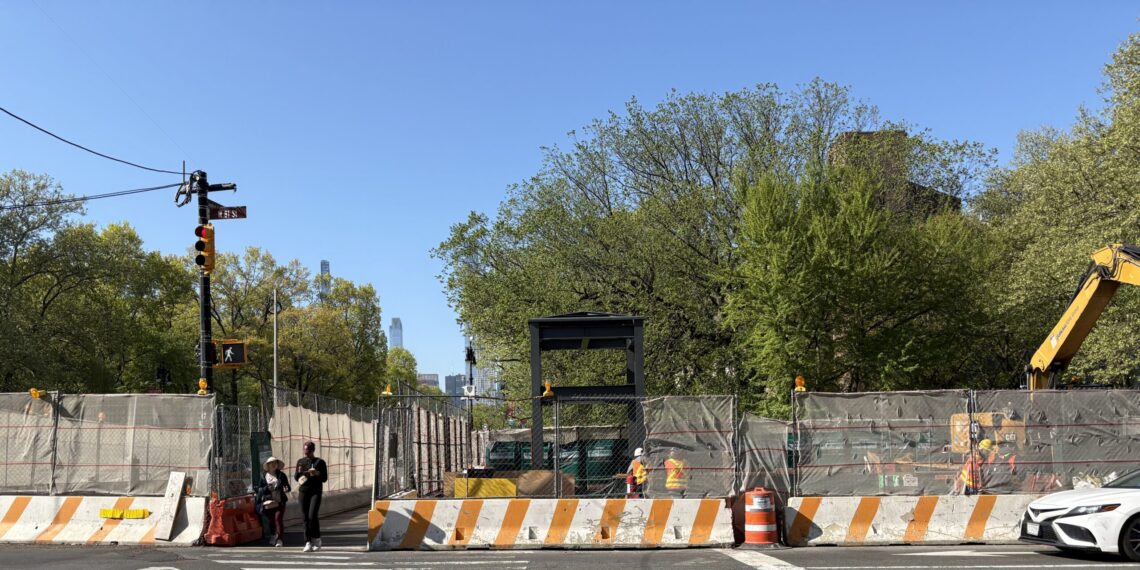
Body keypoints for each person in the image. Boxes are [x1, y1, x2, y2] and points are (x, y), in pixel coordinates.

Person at [295, 441, 329, 552]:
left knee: (312, 516)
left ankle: (317, 539)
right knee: (304, 517)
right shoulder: (300, 462)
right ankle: (307, 542)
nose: (307, 454)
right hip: (303, 491)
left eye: (308, 452)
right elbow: (296, 478)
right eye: (305, 452)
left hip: (315, 492)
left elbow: (324, 478)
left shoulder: (320, 462)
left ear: (313, 451)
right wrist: (301, 472)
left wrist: (317, 473)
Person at [256, 456, 290, 547]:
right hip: (268, 502)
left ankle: (279, 539)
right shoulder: (263, 476)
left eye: (275, 463)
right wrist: (267, 488)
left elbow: (287, 486)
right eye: (271, 463)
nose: (274, 464)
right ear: (268, 465)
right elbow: (259, 489)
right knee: (271, 520)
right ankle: (273, 535)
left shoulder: (281, 475)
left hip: (280, 501)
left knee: (278, 519)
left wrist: (286, 488)